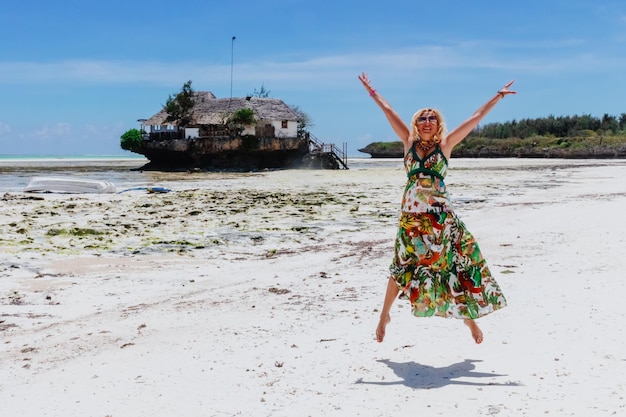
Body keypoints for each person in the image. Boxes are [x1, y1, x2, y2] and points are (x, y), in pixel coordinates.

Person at [358, 72, 514, 344]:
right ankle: (384, 316)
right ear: (416, 123)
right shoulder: (407, 143)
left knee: (450, 268)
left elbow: (475, 118)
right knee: (402, 266)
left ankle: (470, 321)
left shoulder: (445, 145)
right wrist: (371, 90)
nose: (427, 121)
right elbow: (388, 109)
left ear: (438, 124)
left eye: (432, 118)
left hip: (441, 219)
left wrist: (497, 97)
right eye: (422, 117)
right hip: (410, 219)